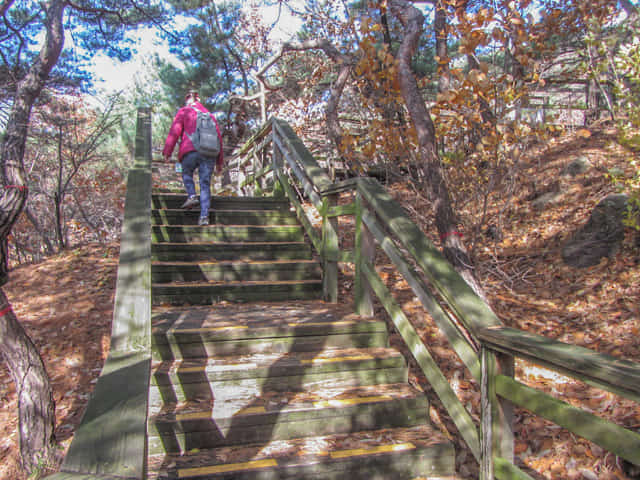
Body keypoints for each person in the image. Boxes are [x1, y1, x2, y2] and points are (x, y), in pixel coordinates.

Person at [163, 91, 224, 226]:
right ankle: (204, 217)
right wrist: (220, 162)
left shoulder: (184, 111)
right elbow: (219, 139)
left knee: (186, 173)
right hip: (209, 152)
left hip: (190, 150)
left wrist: (167, 152)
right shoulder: (210, 116)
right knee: (205, 184)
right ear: (199, 99)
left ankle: (191, 195)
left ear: (188, 100)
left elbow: (175, 131)